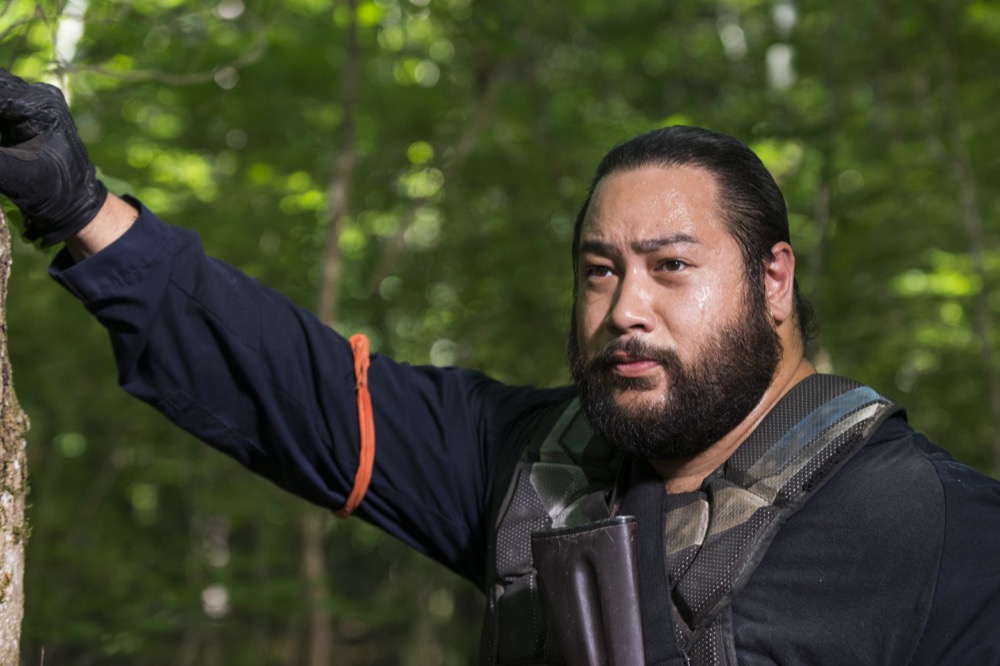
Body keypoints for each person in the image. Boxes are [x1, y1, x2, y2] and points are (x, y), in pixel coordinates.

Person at [2, 68, 999, 665]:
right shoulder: (536, 463)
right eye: (599, 270)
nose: (626, 310)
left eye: (671, 268)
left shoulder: (939, 528)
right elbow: (296, 388)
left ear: (772, 280)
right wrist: (80, 207)